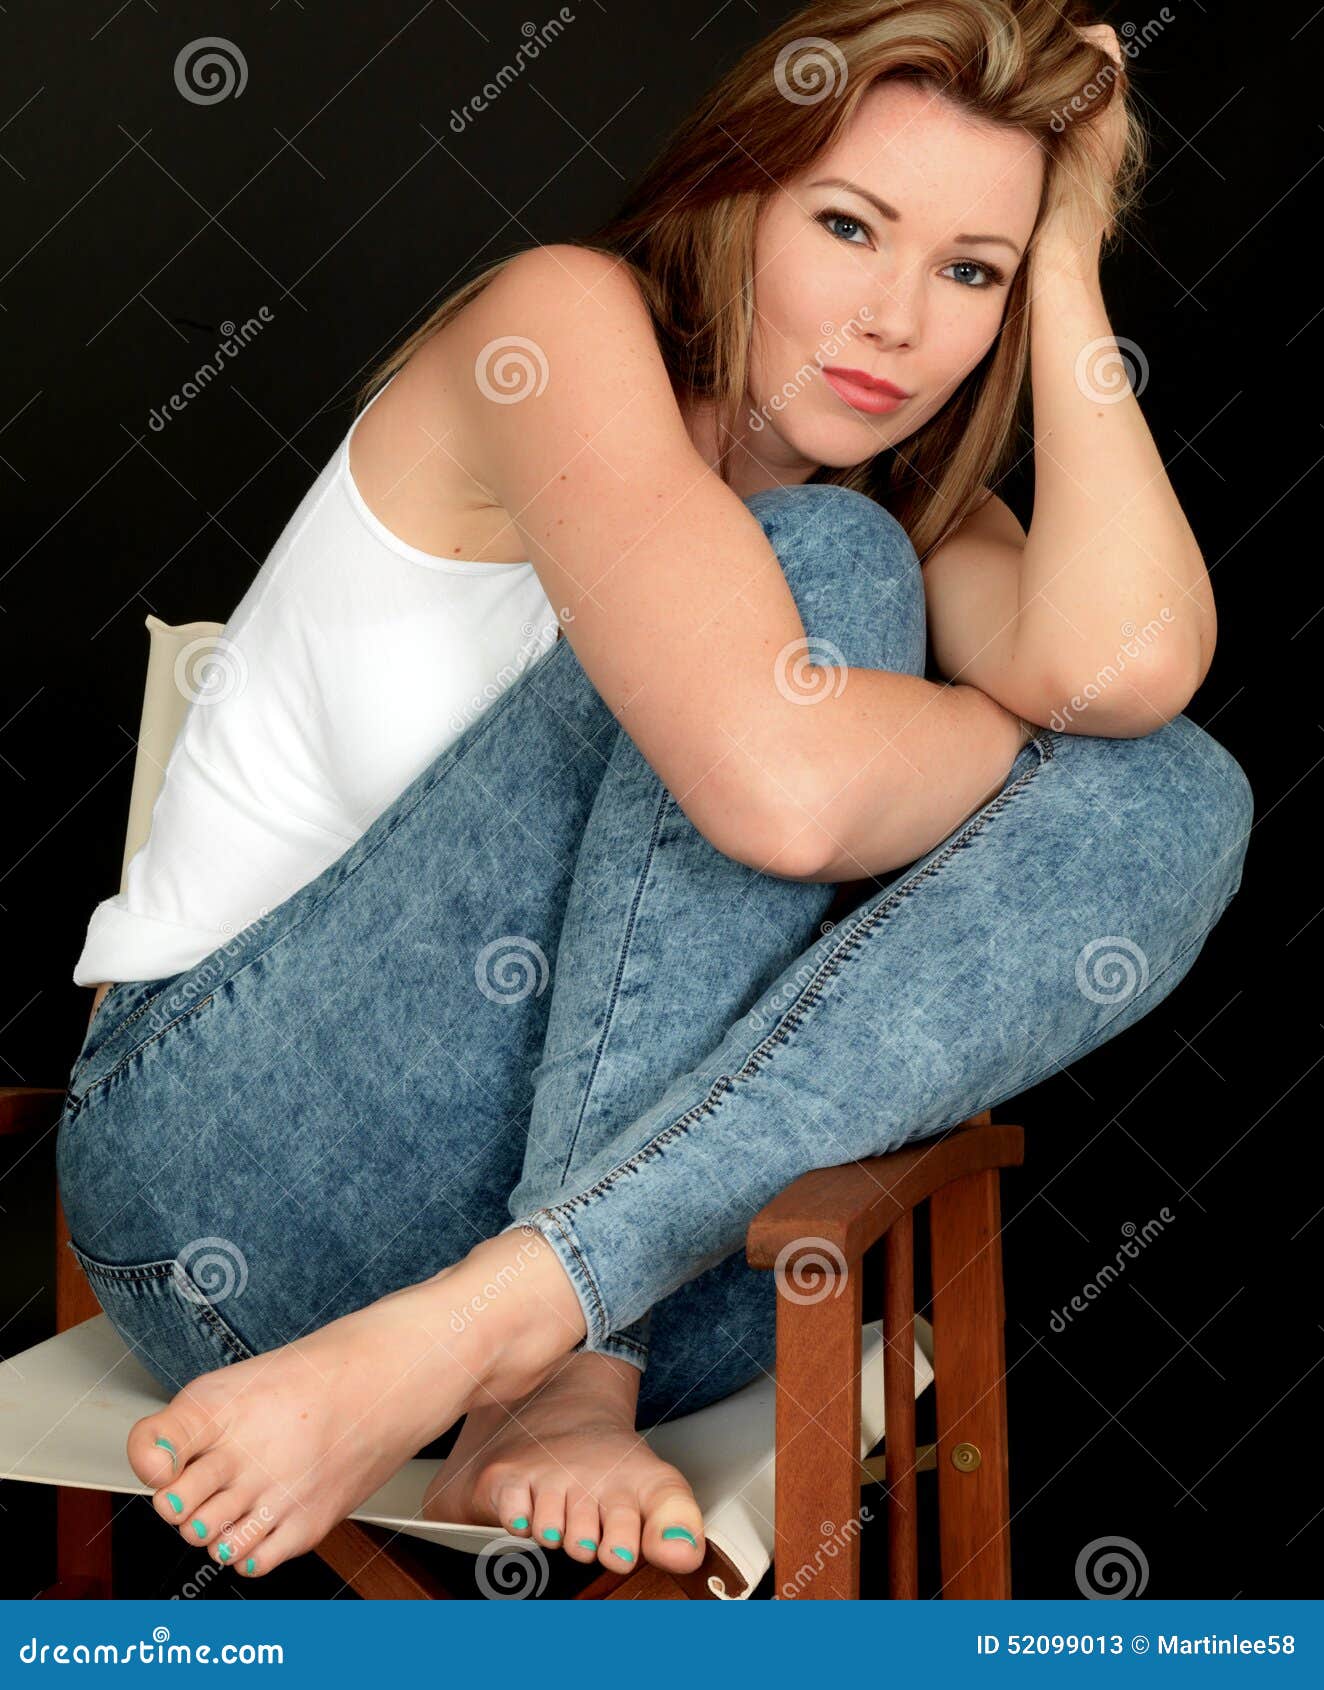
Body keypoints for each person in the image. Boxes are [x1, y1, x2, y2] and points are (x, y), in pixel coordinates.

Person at [58, 0, 1250, 1584]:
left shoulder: (919, 505)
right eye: (848, 224)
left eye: (971, 269)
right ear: (733, 190)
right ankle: (547, 1352)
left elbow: (1141, 669)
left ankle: (526, 1338)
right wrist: (994, 744)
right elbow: (783, 793)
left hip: (640, 1266)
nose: (897, 319)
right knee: (823, 572)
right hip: (235, 1190)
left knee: (1179, 794)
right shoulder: (553, 327)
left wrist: (1074, 250)